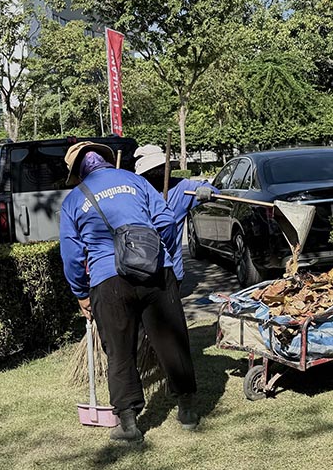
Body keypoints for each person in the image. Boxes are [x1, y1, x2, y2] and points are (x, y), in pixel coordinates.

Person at [59, 141, 199, 443]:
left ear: (79, 171)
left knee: (119, 350)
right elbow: (166, 221)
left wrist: (80, 293)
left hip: (107, 280)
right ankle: (187, 410)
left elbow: (71, 255)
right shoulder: (135, 181)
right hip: (156, 272)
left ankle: (128, 424)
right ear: (105, 160)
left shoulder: (73, 200)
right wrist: (156, 253)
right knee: (172, 338)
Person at [133, 144, 217, 282]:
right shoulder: (134, 191)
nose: (159, 172)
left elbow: (212, 190)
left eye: (162, 167)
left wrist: (207, 191)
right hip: (139, 268)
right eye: (154, 169)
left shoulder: (180, 187)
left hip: (171, 270)